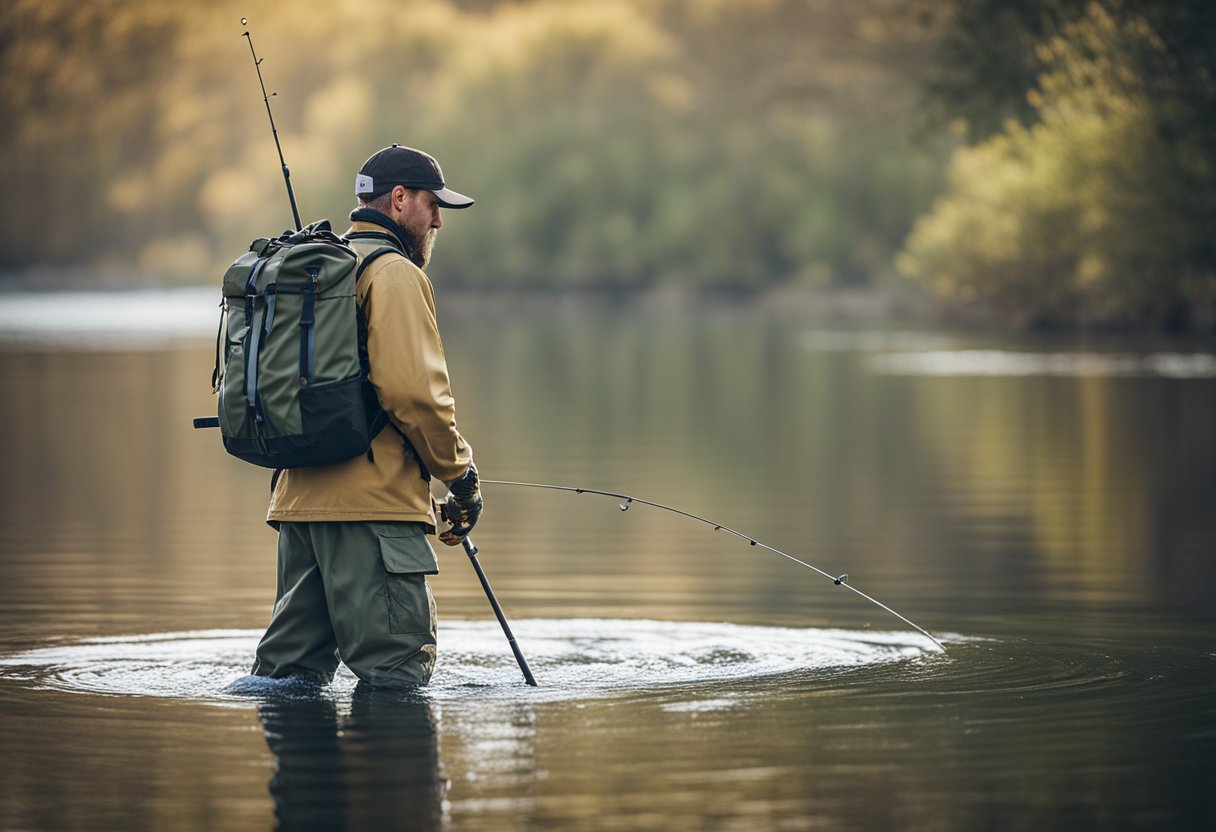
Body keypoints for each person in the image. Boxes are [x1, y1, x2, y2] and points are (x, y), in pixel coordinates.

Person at [249, 144, 483, 687]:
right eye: (433, 205)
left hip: (297, 508)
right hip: (373, 515)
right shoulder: (394, 273)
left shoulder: (316, 267)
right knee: (396, 674)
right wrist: (460, 476)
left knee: (285, 679)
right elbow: (413, 394)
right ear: (399, 200)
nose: (438, 220)